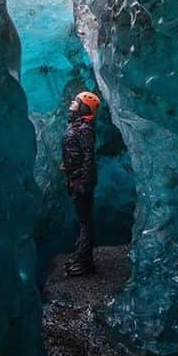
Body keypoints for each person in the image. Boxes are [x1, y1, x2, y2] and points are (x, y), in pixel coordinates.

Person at [61, 91, 100, 276]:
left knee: (85, 222)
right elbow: (77, 152)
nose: (72, 102)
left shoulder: (85, 129)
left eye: (76, 101)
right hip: (74, 178)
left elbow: (89, 158)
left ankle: (85, 263)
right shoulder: (78, 126)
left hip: (80, 181)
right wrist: (68, 165)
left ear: (84, 107)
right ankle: (80, 257)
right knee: (83, 220)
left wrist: (84, 183)